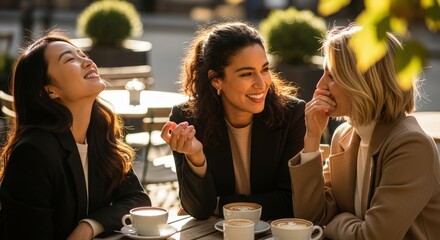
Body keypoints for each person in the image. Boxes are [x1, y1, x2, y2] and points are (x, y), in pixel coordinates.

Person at [289, 23, 440, 239]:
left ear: (363, 82)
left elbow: (372, 236)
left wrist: (336, 220)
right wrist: (312, 138)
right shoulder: (344, 135)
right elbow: (311, 219)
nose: (319, 86)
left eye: (332, 76)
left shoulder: (411, 145)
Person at [0, 30, 151, 240]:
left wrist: (90, 226)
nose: (87, 61)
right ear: (50, 90)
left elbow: (137, 200)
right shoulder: (33, 152)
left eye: (82, 54)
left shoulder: (99, 134)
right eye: (70, 59)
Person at [160, 21, 306, 220]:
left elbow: (290, 202)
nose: (261, 83)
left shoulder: (292, 114)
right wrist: (196, 157)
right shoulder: (187, 119)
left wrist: (219, 204)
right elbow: (198, 209)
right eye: (247, 74)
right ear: (216, 80)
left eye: (264, 69)